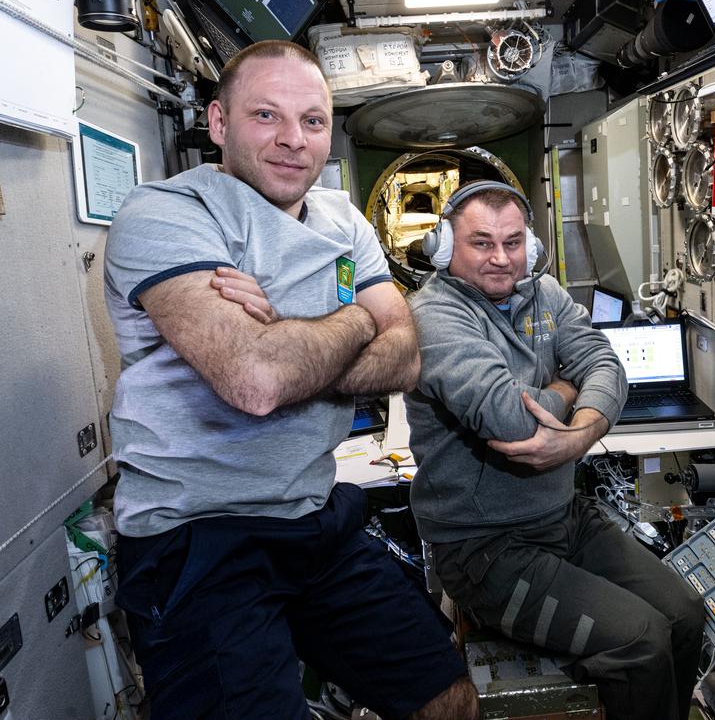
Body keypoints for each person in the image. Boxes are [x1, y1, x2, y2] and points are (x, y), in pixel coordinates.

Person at [103, 40, 478, 720]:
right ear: (218, 123)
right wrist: (354, 318)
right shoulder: (164, 215)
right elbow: (257, 380)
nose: (292, 140)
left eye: (311, 121)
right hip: (198, 536)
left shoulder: (343, 219)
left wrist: (289, 329)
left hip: (310, 514)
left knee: (446, 695)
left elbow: (408, 355)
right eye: (266, 115)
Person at [405, 181, 706, 720]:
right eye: (481, 243)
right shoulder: (434, 316)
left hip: (564, 518)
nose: (501, 259)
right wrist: (568, 387)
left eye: (513, 242)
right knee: (640, 642)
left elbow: (607, 365)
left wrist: (580, 432)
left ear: (532, 246)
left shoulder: (548, 295)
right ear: (447, 249)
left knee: (685, 614)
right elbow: (510, 419)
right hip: (484, 548)